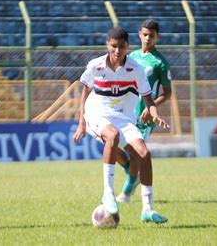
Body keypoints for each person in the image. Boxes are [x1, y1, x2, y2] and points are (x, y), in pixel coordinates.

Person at [72, 26, 169, 223]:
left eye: (122, 47)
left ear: (127, 46)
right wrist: (81, 123)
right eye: (114, 46)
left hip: (124, 116)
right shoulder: (95, 66)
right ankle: (108, 194)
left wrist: (155, 114)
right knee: (112, 136)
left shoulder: (136, 69)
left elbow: (148, 99)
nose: (118, 51)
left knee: (144, 153)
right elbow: (85, 92)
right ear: (107, 45)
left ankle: (147, 209)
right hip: (98, 112)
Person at [115, 19, 172, 204]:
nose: (147, 39)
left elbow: (168, 93)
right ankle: (131, 172)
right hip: (125, 110)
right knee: (111, 144)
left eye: (152, 36)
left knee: (137, 153)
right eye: (145, 35)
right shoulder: (131, 57)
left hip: (144, 115)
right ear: (139, 34)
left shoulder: (160, 63)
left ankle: (126, 191)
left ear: (158, 38)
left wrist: (151, 106)